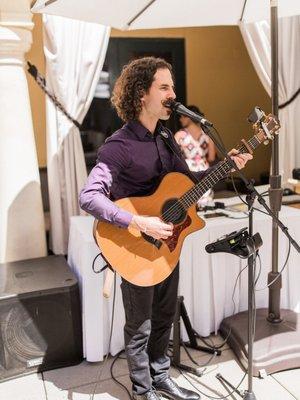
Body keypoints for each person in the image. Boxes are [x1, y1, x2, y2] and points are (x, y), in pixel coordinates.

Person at [79, 57, 252, 400]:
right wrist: (138, 220)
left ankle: (161, 379)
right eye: (165, 87)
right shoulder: (120, 145)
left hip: (168, 245)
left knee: (164, 316)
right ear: (142, 94)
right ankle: (143, 391)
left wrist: (227, 166)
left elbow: (186, 186)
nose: (174, 94)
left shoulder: (168, 139)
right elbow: (89, 196)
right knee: (140, 326)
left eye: (173, 86)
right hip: (134, 246)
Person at [175, 106, 217, 207]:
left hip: (188, 172)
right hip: (204, 172)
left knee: (190, 203)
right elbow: (211, 157)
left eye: (182, 116)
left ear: (188, 117)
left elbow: (174, 157)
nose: (180, 119)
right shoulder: (207, 135)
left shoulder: (180, 135)